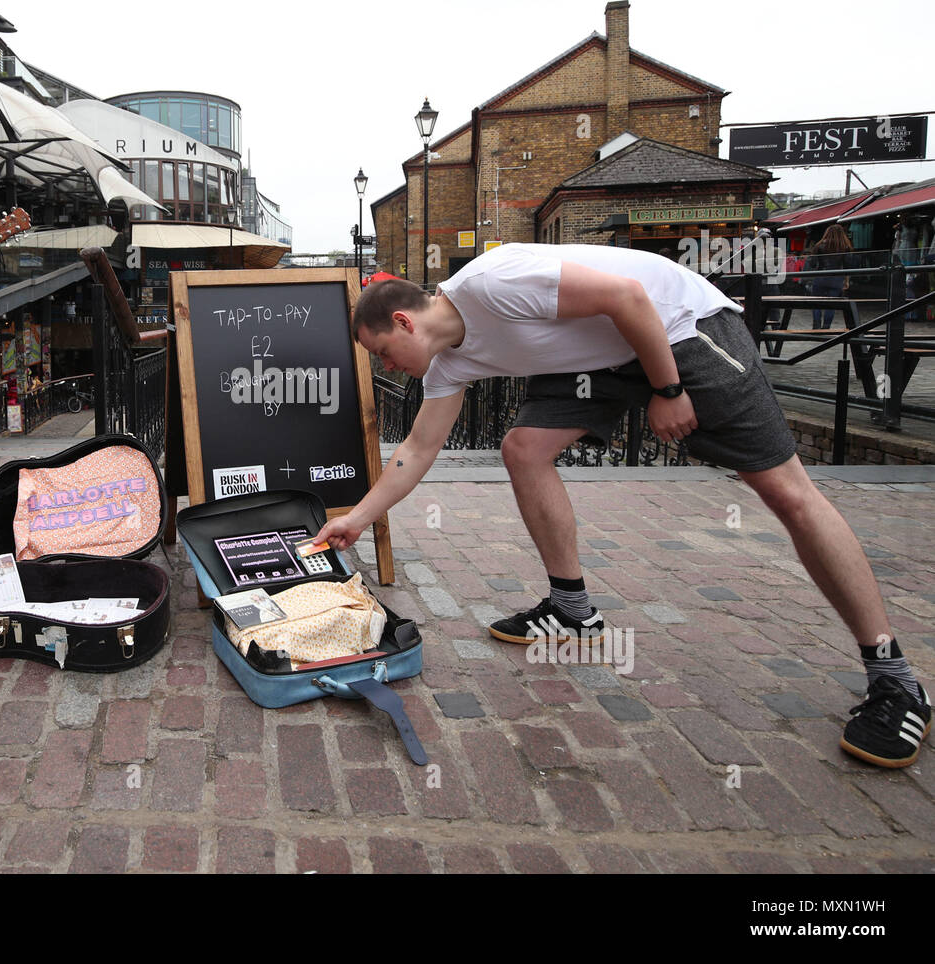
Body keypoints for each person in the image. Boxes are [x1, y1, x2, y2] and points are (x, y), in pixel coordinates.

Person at [317, 243, 930, 769]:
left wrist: (667, 389)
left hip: (678, 331)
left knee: (786, 492)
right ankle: (571, 607)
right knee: (524, 448)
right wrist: (356, 519)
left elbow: (631, 299)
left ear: (404, 322)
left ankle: (894, 678)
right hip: (602, 358)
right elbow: (418, 450)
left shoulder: (491, 283)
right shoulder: (450, 363)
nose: (385, 367)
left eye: (382, 354)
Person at [805, 224, 851, 330]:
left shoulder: (819, 245)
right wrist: (846, 280)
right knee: (831, 305)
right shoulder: (845, 246)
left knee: (816, 303)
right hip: (836, 278)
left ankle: (816, 326)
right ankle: (826, 327)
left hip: (820, 277)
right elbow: (847, 265)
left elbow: (812, 263)